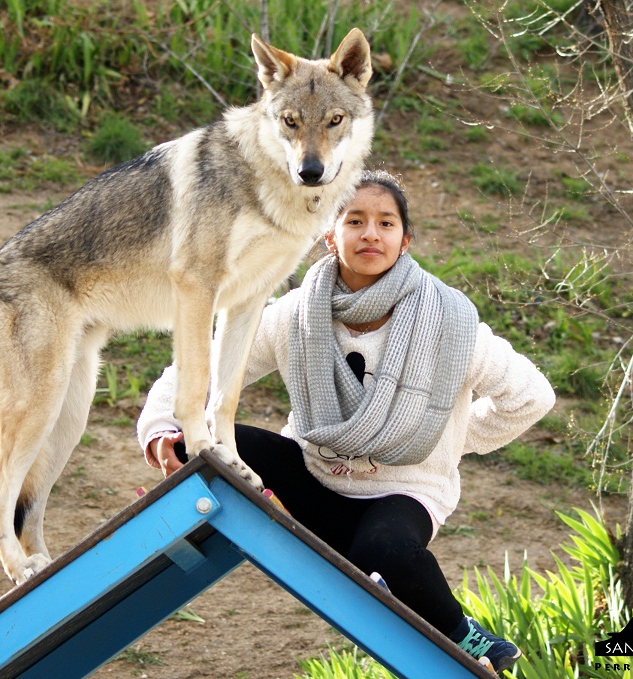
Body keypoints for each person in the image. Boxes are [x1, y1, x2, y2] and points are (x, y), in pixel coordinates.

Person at [137, 170, 554, 673]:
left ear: (405, 239)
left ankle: (463, 634)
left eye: (386, 222)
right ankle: (272, 508)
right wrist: (161, 426)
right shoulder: (296, 314)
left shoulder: (447, 323)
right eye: (354, 220)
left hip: (404, 491)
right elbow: (206, 361)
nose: (370, 234)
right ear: (329, 235)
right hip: (315, 477)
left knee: (385, 550)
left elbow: (531, 397)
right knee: (195, 444)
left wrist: (441, 436)